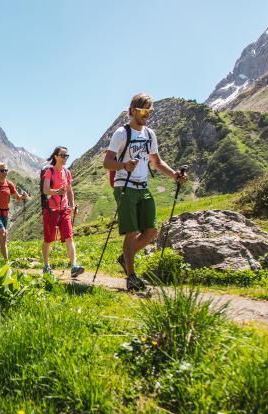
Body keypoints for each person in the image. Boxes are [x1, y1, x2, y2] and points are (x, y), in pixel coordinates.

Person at [103, 93, 187, 291]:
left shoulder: (150, 134)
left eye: (150, 110)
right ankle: (131, 276)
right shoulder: (121, 133)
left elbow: (156, 162)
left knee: (151, 231)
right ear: (132, 110)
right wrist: (124, 165)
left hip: (143, 186)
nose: (147, 114)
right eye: (143, 110)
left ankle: (126, 257)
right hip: (125, 186)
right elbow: (107, 163)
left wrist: (174, 174)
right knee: (131, 231)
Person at [41, 146, 85, 277]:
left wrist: (72, 205)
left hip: (64, 210)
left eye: (66, 156)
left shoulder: (67, 172)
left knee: (69, 237)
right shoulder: (50, 171)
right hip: (51, 210)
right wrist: (56, 192)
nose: (65, 158)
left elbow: (70, 190)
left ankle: (74, 266)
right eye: (62, 155)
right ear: (56, 156)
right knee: (48, 240)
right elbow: (45, 190)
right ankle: (46, 266)